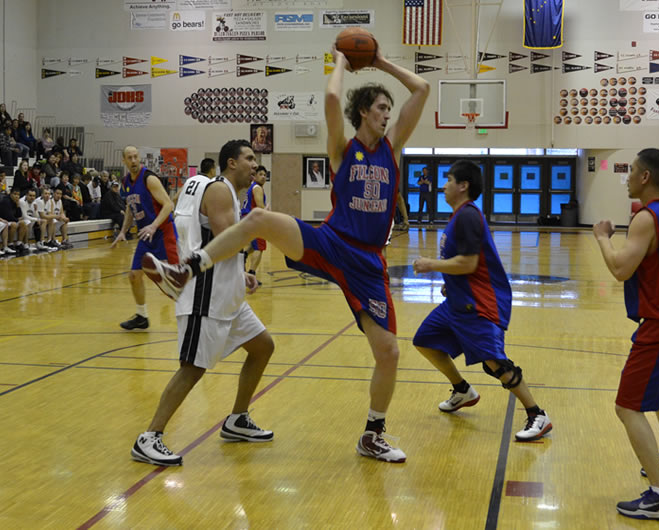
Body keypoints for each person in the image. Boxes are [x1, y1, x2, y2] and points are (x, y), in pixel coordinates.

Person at [143, 43, 430, 463]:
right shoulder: (343, 150)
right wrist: (341, 62)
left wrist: (380, 61)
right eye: (382, 107)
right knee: (260, 218)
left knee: (389, 352)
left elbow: (421, 89)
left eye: (390, 108)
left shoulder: (393, 147)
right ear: (364, 112)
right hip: (332, 241)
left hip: (369, 260)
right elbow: (331, 97)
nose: (388, 114)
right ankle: (186, 270)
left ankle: (373, 434)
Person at [132, 140, 275, 467]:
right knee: (192, 368)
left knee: (263, 346)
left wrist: (240, 273)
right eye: (249, 158)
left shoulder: (220, 190)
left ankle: (237, 419)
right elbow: (229, 241)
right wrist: (261, 227)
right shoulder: (221, 191)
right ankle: (149, 437)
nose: (255, 164)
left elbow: (217, 244)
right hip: (205, 296)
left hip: (227, 294)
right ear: (231, 163)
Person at [594, 149, 659, 521]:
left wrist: (603, 238)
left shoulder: (646, 218)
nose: (627, 177)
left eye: (631, 171)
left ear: (645, 177)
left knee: (627, 406)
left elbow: (620, 270)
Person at [412, 160, 552, 440]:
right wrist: (451, 283)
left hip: (480, 304)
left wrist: (431, 264)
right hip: (458, 301)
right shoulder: (458, 216)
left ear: (463, 185)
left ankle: (537, 414)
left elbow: (468, 262)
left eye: (449, 179)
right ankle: (462, 390)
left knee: (494, 363)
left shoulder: (467, 216)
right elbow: (465, 264)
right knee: (425, 340)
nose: (444, 185)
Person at [111, 146, 178, 331]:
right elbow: (130, 209)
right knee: (134, 275)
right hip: (145, 235)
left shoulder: (149, 178)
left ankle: (195, 310)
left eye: (135, 157)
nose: (133, 160)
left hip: (162, 232)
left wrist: (154, 225)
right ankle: (142, 316)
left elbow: (168, 205)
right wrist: (123, 231)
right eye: (129, 158)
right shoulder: (126, 182)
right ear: (124, 161)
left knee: (173, 280)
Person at [241, 165, 269, 281]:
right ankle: (251, 274)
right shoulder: (257, 188)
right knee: (260, 247)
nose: (263, 177)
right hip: (253, 219)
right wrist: (267, 211)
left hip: (247, 218)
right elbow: (260, 206)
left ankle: (243, 256)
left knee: (254, 244)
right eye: (260, 174)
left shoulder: (253, 187)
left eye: (265, 175)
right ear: (255, 176)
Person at [0, 188, 21, 255]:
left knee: (23, 223)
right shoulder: (6, 201)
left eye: (18, 195)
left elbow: (19, 215)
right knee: (13, 224)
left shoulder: (15, 201)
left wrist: (18, 206)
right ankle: (10, 244)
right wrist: (18, 220)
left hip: (5, 220)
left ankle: (18, 244)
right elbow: (9, 216)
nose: (17, 196)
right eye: (15, 194)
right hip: (5, 219)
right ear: (10, 194)